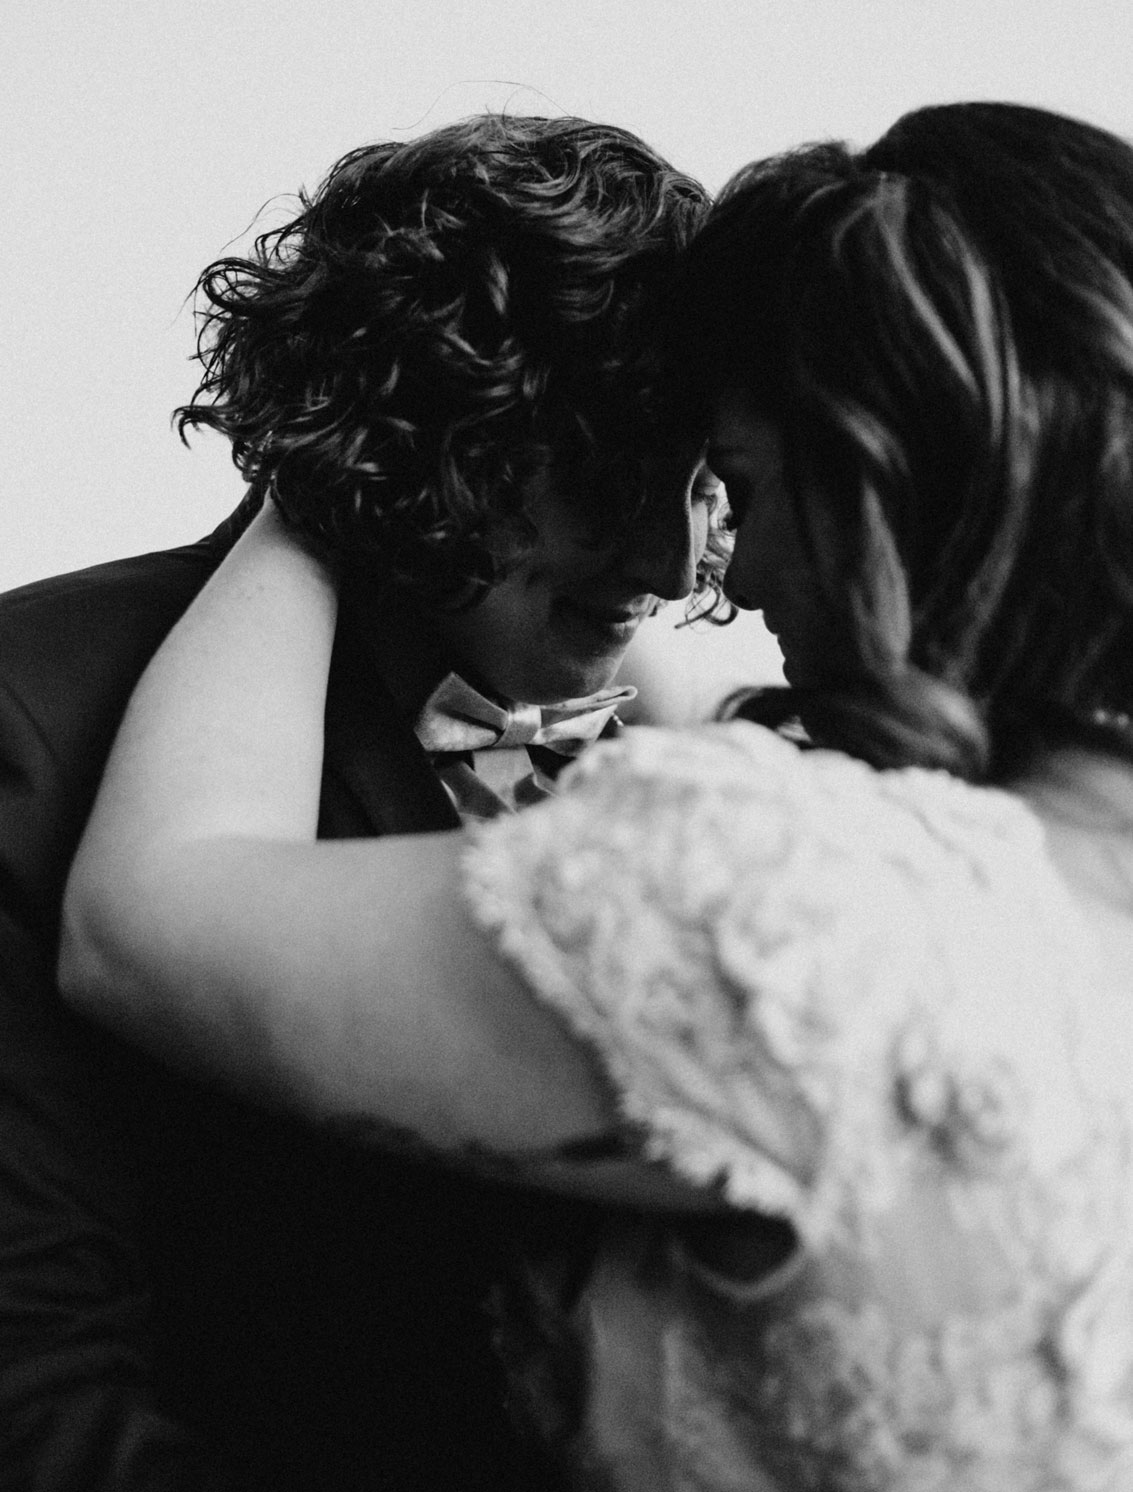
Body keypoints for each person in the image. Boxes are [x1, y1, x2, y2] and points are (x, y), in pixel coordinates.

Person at [63, 99, 1133, 1489]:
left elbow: (150, 911)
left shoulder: (789, 898)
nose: (711, 576)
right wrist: (384, 444)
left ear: (879, 490)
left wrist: (322, 469)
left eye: (727, 486)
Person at [0, 112, 721, 1491]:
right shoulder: (32, 714)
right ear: (427, 429)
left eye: (700, 476)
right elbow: (38, 1394)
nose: (672, 559)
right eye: (603, 468)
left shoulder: (727, 767)